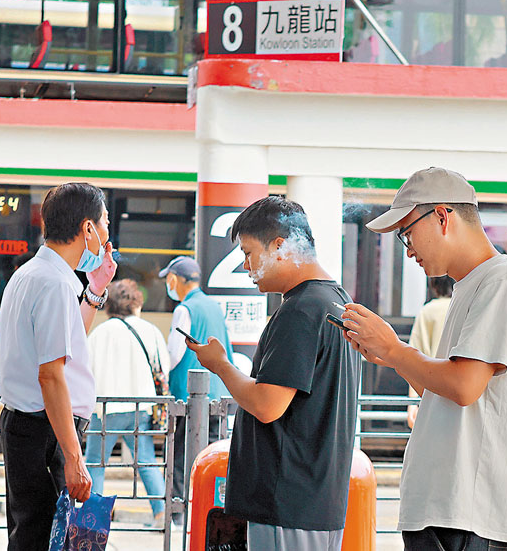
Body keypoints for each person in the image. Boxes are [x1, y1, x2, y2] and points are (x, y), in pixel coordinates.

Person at [341, 167, 507, 550]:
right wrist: (390, 357)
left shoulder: (501, 279)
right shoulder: (473, 285)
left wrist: (393, 349)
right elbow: (443, 391)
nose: (409, 249)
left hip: (467, 515)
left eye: (407, 233)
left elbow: (464, 386)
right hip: (452, 513)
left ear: (441, 215)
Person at [186, 196, 361, 550]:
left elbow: (267, 404)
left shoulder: (300, 310)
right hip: (315, 499)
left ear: (280, 246)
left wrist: (220, 364)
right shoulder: (336, 300)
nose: (246, 267)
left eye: (249, 253)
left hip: (286, 503)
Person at [0, 182, 116, 550]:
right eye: (105, 222)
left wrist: (95, 290)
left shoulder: (36, 274)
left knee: (34, 533)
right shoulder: (54, 284)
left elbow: (67, 342)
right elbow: (51, 375)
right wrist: (74, 457)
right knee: (44, 537)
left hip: (31, 426)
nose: (108, 233)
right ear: (88, 228)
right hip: (45, 429)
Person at [85, 278, 169, 526]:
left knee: (95, 464)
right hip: (140, 407)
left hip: (105, 408)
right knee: (145, 461)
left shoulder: (99, 333)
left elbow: (85, 371)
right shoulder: (150, 330)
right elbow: (163, 367)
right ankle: (161, 514)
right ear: (135, 303)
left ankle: (95, 521)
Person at [158, 255, 234, 512]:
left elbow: (173, 355)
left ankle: (180, 509)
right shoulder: (213, 306)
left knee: (181, 453)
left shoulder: (184, 309)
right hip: (217, 393)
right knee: (211, 453)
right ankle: (210, 506)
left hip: (188, 396)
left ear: (175, 280)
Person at [406, 275, 453, 429]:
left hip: (431, 392)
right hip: (458, 390)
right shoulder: (465, 307)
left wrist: (412, 404)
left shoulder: (428, 311)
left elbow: (413, 355)